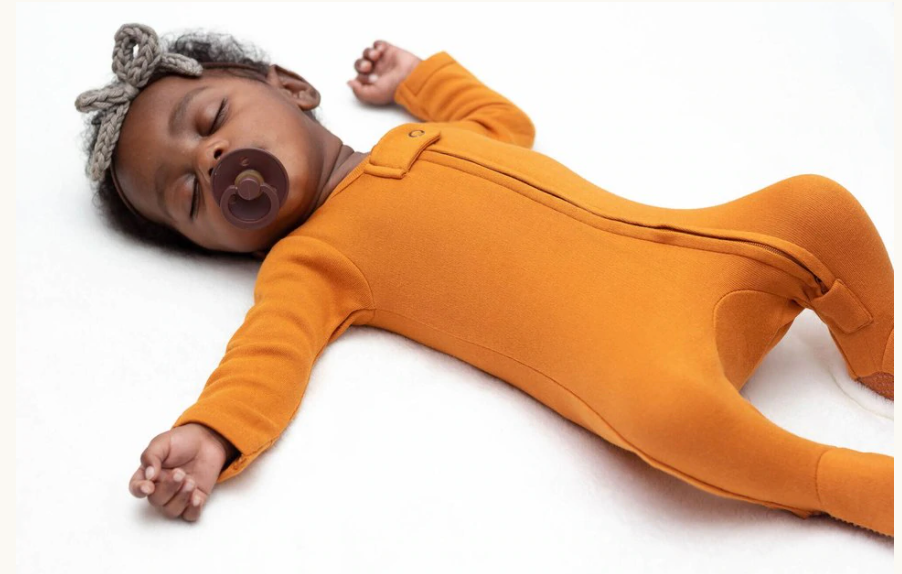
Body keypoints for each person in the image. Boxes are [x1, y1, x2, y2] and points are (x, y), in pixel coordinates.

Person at [75, 23, 894, 536]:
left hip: (702, 250)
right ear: (211, 249)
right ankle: (845, 484)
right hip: (647, 363)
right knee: (669, 415)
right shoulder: (312, 261)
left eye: (211, 120)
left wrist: (417, 78)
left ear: (290, 87)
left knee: (815, 205)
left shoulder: (430, 139)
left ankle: (881, 349)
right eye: (188, 197)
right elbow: (268, 354)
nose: (211, 160)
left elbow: (506, 123)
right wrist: (212, 433)